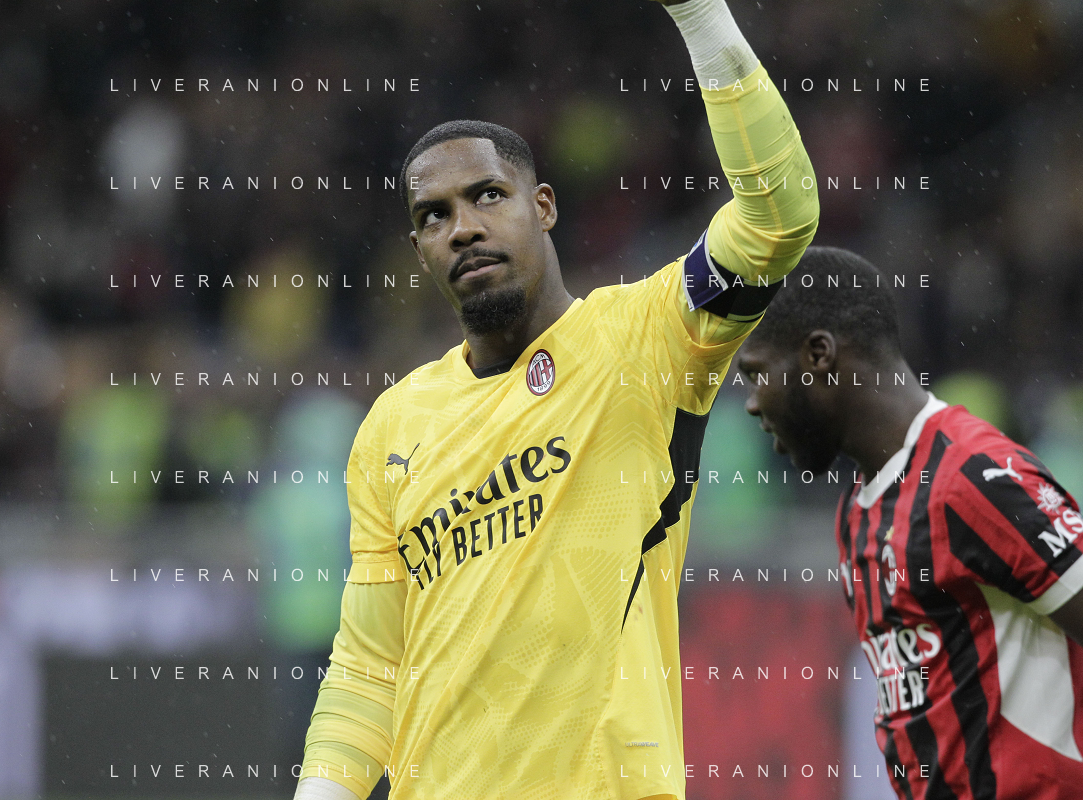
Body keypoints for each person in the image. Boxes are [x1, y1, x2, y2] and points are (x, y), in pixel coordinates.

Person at [295, 0, 820, 796]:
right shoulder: (392, 427)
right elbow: (370, 667)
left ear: (542, 206)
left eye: (486, 196)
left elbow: (778, 217)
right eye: (434, 216)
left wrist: (698, 14)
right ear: (419, 249)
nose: (462, 227)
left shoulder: (643, 338)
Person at [736, 246, 1083, 799]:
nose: (751, 403)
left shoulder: (974, 477)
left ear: (819, 354)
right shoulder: (858, 513)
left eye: (756, 374)